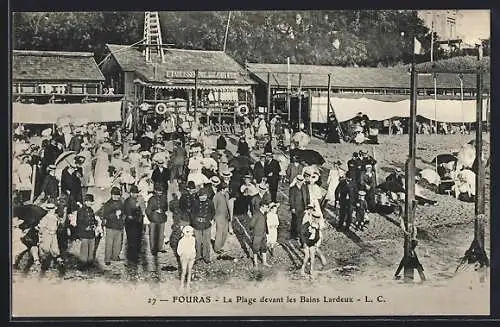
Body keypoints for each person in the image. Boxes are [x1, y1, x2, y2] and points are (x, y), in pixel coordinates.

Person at [101, 187, 125, 265]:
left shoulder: (121, 203)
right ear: (111, 195)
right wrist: (115, 215)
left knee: (118, 243)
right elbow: (105, 215)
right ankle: (107, 259)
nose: (116, 197)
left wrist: (122, 217)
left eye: (118, 195)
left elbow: (124, 212)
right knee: (109, 243)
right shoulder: (108, 204)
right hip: (110, 226)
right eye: (114, 195)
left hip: (119, 226)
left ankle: (115, 256)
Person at [190, 188, 215, 264]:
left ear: (207, 195)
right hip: (197, 225)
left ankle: (206, 257)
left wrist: (211, 219)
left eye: (204, 196)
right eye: (201, 196)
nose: (203, 197)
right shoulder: (195, 203)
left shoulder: (210, 203)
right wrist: (194, 222)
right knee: (197, 241)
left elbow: (213, 212)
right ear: (198, 196)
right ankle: (197, 257)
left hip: (206, 224)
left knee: (206, 242)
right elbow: (192, 214)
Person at [145, 183, 169, 256]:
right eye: (158, 191)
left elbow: (166, 207)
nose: (160, 192)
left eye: (161, 191)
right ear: (155, 191)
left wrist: (162, 210)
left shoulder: (164, 198)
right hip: (154, 219)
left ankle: (160, 248)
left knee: (161, 234)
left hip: (162, 218)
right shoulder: (152, 199)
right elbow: (148, 211)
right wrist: (151, 217)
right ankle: (153, 249)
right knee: (153, 235)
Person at [38, 202, 63, 270]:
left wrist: (59, 223)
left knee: (55, 247)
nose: (54, 210)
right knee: (46, 247)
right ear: (49, 210)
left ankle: (58, 261)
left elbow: (58, 224)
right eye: (53, 209)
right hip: (47, 234)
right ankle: (44, 262)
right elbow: (42, 227)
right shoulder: (46, 217)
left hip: (53, 234)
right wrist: (41, 234)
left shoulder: (55, 216)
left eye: (54, 209)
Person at [76, 194, 98, 269]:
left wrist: (95, 225)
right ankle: (82, 263)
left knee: (91, 248)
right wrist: (85, 227)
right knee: (84, 249)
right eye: (88, 202)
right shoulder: (81, 211)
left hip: (91, 233)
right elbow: (79, 222)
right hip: (84, 234)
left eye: (91, 202)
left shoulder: (91, 210)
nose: (90, 203)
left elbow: (94, 220)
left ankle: (89, 262)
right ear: (85, 202)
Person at [249, 198, 271, 267]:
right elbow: (251, 224)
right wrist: (253, 231)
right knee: (255, 248)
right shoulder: (257, 214)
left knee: (264, 248)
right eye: (266, 207)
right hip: (257, 234)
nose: (267, 208)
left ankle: (264, 262)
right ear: (262, 206)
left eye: (267, 207)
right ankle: (255, 263)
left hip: (263, 233)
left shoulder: (264, 214)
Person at [212, 182, 231, 256]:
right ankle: (217, 248)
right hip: (219, 217)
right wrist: (214, 218)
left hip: (226, 216)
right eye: (226, 188)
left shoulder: (226, 195)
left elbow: (228, 205)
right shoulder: (217, 196)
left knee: (225, 233)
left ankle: (221, 246)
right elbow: (214, 207)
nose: (227, 189)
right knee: (219, 233)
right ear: (222, 189)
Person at [289, 174, 308, 240]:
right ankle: (293, 234)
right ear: (297, 180)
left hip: (302, 207)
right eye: (299, 181)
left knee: (300, 221)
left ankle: (297, 233)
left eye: (301, 181)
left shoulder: (305, 187)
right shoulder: (293, 189)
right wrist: (292, 207)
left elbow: (307, 197)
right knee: (294, 220)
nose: (300, 182)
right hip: (295, 207)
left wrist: (307, 207)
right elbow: (291, 199)